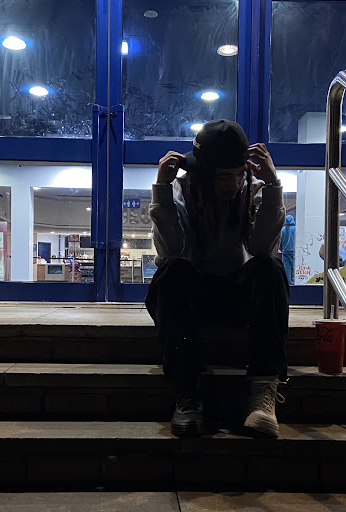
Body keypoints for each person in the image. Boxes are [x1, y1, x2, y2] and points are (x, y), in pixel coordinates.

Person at [145, 119, 289, 438]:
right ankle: (187, 393)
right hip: (191, 298)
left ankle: (263, 392)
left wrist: (274, 186)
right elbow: (171, 251)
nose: (233, 184)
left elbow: (262, 249)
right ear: (203, 174)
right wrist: (162, 190)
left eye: (239, 174)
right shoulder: (181, 191)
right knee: (172, 270)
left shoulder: (253, 190)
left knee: (270, 268)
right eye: (224, 177)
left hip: (238, 296)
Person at [280, 215, 296, 285]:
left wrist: (281, 248)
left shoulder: (283, 230)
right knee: (296, 268)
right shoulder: (295, 229)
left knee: (287, 269)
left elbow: (280, 241)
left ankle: (289, 283)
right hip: (294, 252)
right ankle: (297, 282)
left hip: (285, 251)